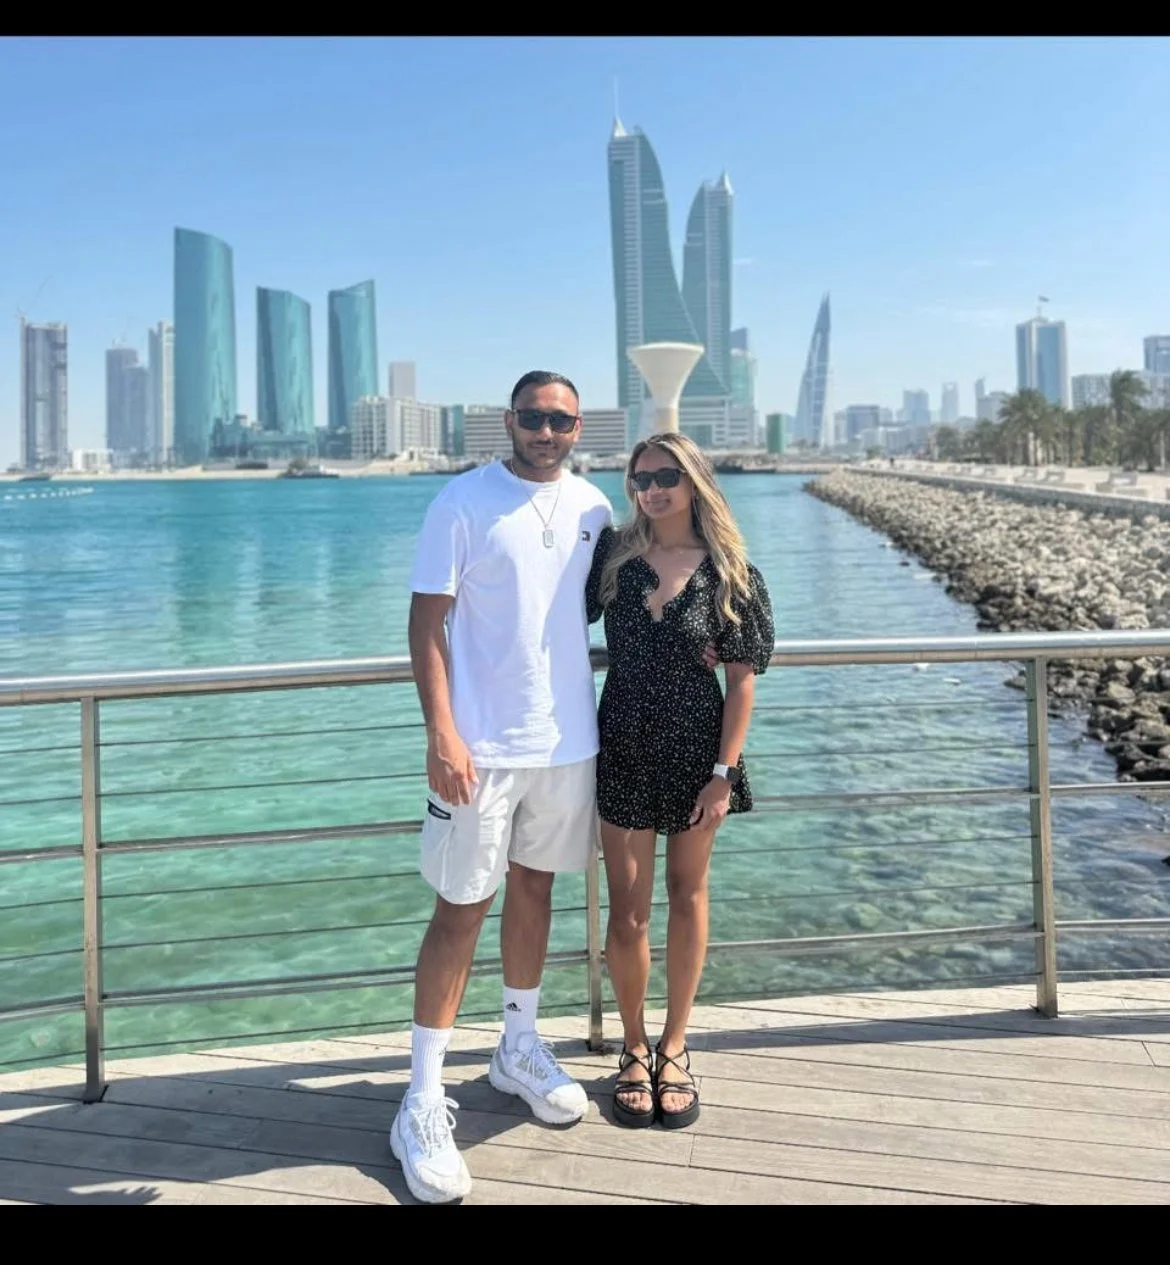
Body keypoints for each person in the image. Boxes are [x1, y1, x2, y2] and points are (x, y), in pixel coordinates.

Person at [391, 370, 612, 1205]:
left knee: (535, 891)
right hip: (480, 748)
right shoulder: (461, 501)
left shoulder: (595, 508)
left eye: (560, 419)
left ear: (578, 424)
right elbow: (426, 623)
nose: (545, 430)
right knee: (460, 908)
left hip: (567, 742)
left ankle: (517, 1044)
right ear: (508, 420)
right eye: (532, 417)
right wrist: (441, 731)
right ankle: (419, 1094)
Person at [586, 432, 774, 1131]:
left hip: (701, 757)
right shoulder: (612, 558)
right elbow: (541, 612)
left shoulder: (731, 569)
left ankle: (674, 1044)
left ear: (694, 480)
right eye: (640, 478)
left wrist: (723, 774)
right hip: (623, 747)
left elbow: (742, 681)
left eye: (667, 475)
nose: (652, 488)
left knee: (688, 894)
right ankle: (632, 1048)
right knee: (627, 909)